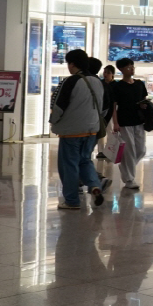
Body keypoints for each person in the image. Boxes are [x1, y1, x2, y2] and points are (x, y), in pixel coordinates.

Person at [49, 49, 109, 209]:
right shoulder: (97, 82)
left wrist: (53, 121)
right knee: (85, 160)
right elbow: (104, 107)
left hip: (72, 131)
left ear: (72, 64)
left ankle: (71, 200)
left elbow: (59, 106)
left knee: (69, 165)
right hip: (92, 130)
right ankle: (95, 186)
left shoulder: (71, 81)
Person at [109, 57, 150, 190]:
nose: (131, 69)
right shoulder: (117, 86)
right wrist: (115, 123)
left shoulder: (139, 84)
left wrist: (145, 107)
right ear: (121, 69)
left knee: (141, 150)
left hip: (139, 120)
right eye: (128, 67)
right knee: (129, 150)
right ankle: (129, 179)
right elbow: (114, 106)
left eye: (132, 66)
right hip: (124, 121)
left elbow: (144, 100)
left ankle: (126, 167)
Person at [96, 64, 117, 161]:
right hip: (102, 112)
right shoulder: (100, 84)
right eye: (105, 72)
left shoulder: (115, 85)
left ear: (112, 74)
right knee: (101, 130)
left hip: (112, 112)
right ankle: (100, 151)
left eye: (108, 73)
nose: (106, 74)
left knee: (110, 131)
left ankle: (109, 150)